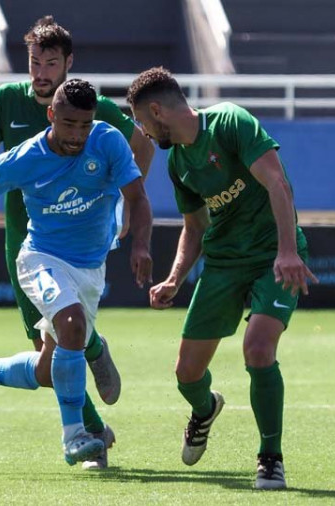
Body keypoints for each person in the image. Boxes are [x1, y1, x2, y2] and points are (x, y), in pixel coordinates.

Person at [0, 79, 153, 466]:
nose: (77, 135)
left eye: (84, 125)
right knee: (71, 323)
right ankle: (75, 436)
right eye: (68, 124)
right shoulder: (24, 158)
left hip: (90, 268)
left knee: (50, 370)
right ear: (51, 115)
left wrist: (141, 245)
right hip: (40, 258)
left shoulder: (109, 141)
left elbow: (138, 196)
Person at [126, 67, 317, 490]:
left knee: (258, 348)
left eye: (141, 120)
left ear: (157, 110)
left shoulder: (231, 122)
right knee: (187, 374)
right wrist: (175, 278)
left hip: (273, 256)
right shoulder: (178, 162)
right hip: (223, 263)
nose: (142, 130)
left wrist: (287, 250)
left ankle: (270, 458)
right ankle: (206, 408)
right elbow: (194, 227)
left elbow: (277, 182)